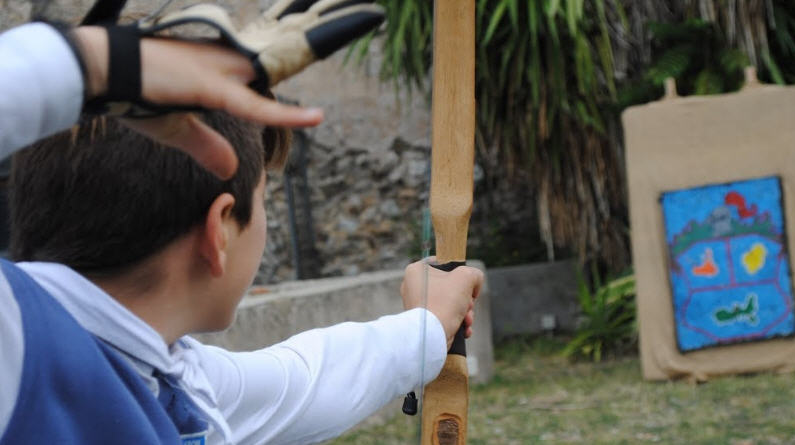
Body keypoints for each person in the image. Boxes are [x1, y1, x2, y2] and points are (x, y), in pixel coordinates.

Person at [0, 2, 484, 444]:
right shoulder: (21, 345)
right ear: (221, 231)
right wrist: (96, 63)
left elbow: (304, 381)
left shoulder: (169, 378)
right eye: (263, 197)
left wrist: (426, 325)